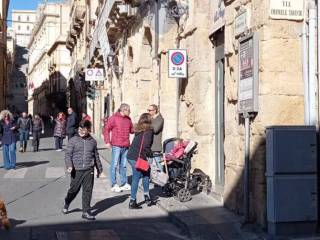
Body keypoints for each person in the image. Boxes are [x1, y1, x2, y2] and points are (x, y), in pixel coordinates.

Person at [62, 120, 103, 220]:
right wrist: (69, 165)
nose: (82, 131)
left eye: (84, 130)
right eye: (80, 129)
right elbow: (68, 155)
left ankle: (85, 211)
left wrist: (99, 168)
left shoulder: (93, 141)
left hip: (89, 170)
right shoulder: (73, 140)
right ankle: (67, 202)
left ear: (88, 130)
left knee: (87, 190)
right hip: (77, 170)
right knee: (74, 190)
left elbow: (96, 155)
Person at [103, 103, 133, 193]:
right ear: (123, 110)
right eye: (129, 110)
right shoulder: (113, 118)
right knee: (114, 165)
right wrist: (107, 142)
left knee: (123, 165)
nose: (130, 112)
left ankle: (124, 183)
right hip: (116, 145)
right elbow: (106, 129)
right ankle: (113, 184)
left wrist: (141, 127)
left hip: (126, 145)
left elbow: (132, 130)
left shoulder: (128, 119)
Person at [127, 113, 154, 209]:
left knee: (146, 173)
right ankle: (132, 201)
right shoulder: (149, 130)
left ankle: (147, 196)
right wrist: (151, 155)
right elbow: (146, 146)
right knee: (136, 177)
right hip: (138, 158)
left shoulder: (139, 129)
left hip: (131, 155)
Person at [148, 104, 164, 169]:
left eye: (150, 110)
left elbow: (155, 129)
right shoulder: (151, 119)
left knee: (159, 165)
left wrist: (148, 125)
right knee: (149, 165)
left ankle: (161, 178)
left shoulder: (160, 119)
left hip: (155, 146)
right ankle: (150, 178)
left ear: (155, 111)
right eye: (148, 110)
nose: (148, 112)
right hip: (149, 145)